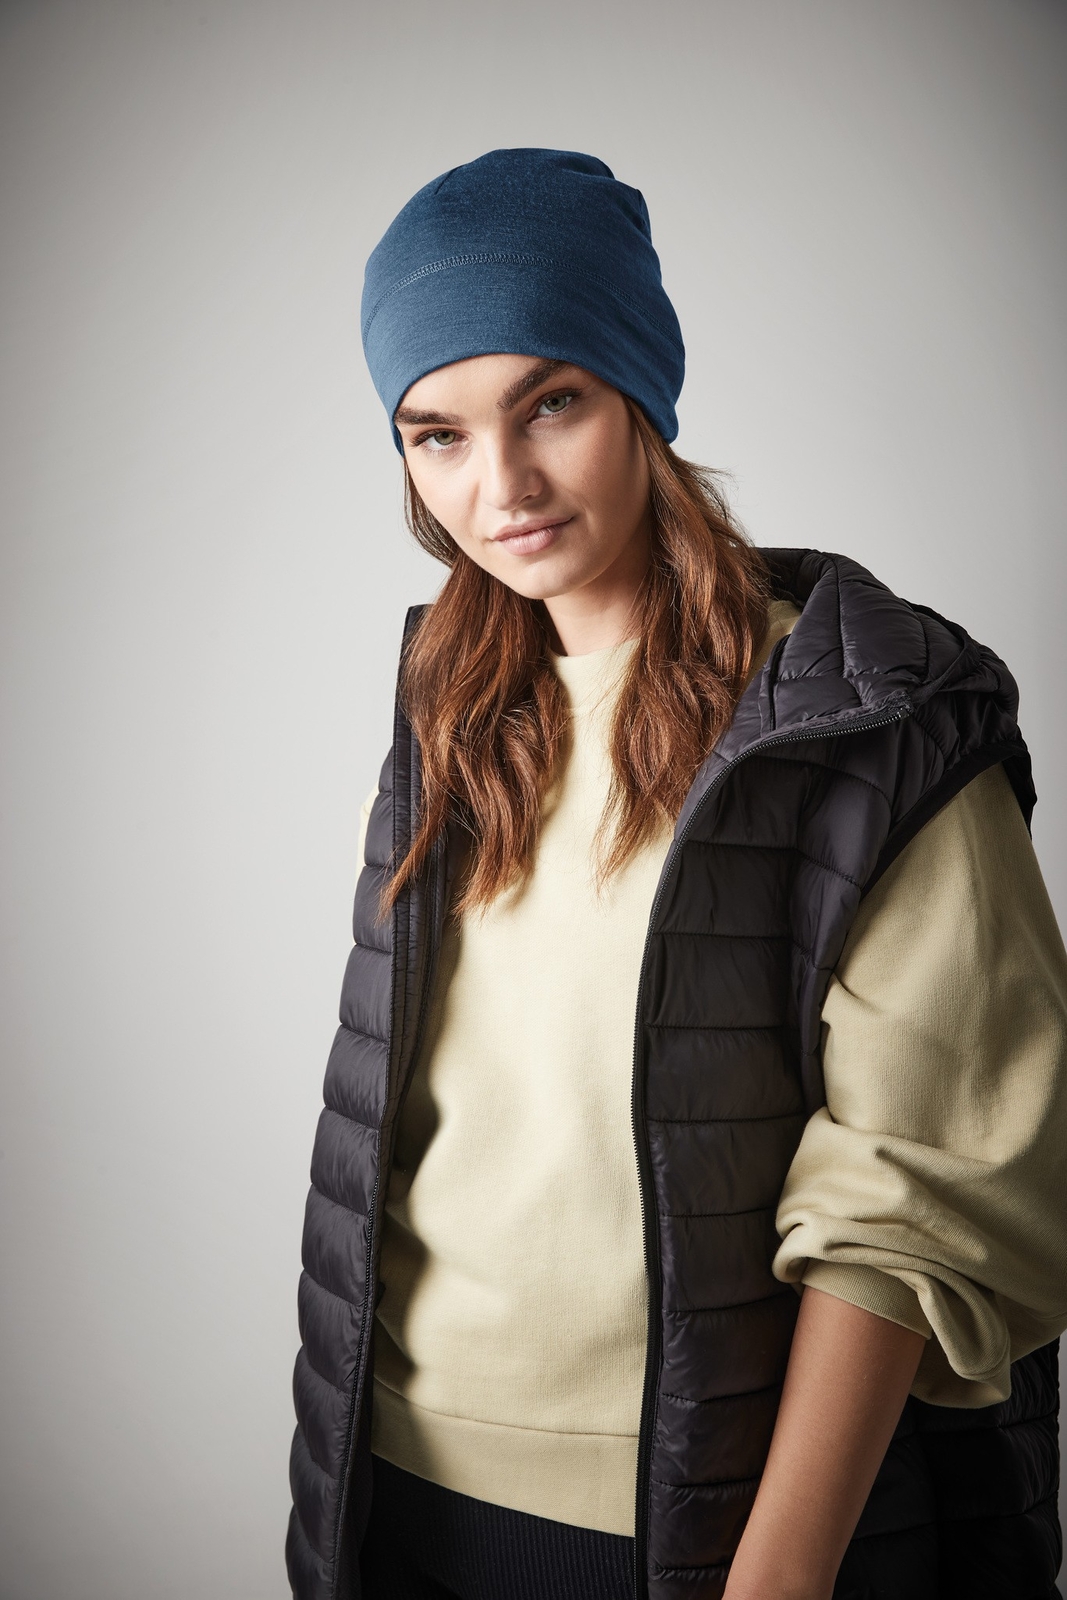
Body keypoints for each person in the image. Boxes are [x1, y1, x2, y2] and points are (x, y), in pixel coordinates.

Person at [285, 149, 1067, 1600]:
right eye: (436, 434)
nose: (500, 486)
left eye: (552, 404)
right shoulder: (444, 721)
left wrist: (779, 1574)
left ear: (641, 394)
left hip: (689, 1528)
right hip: (388, 1487)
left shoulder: (869, 724)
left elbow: (915, 1203)